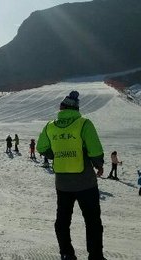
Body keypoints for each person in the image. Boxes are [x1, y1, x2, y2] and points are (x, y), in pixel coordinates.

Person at [36, 91, 106, 260]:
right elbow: (95, 150)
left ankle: (67, 253)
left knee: (62, 220)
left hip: (62, 183)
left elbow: (41, 147)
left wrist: (56, 155)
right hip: (85, 182)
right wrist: (99, 165)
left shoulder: (50, 126)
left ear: (62, 107)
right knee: (92, 221)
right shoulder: (84, 123)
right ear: (76, 109)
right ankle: (95, 256)